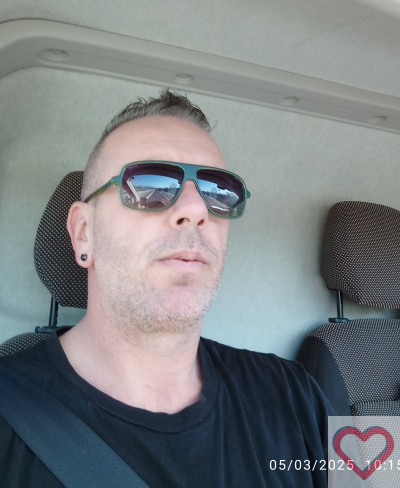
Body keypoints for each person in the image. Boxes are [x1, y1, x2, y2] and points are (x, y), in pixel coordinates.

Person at [0, 90, 333, 487]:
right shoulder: (10, 413)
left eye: (218, 192)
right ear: (84, 232)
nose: (196, 210)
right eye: (150, 185)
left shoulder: (297, 393)